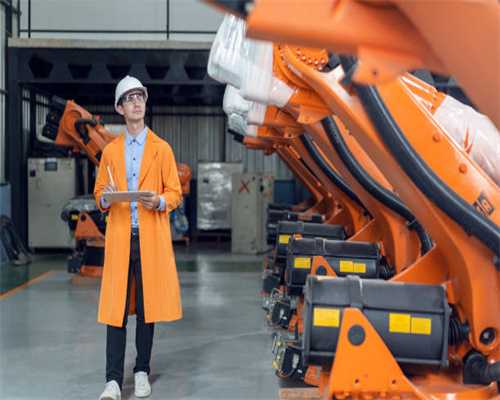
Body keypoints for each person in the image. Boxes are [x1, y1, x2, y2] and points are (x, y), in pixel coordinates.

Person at [94, 76, 183, 400]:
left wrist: (158, 201)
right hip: (121, 237)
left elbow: (175, 192)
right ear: (120, 108)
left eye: (140, 97)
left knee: (148, 307)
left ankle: (142, 370)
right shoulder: (110, 152)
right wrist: (106, 199)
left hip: (150, 238)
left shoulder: (162, 149)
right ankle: (113, 381)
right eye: (129, 98)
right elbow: (99, 194)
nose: (136, 103)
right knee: (115, 309)